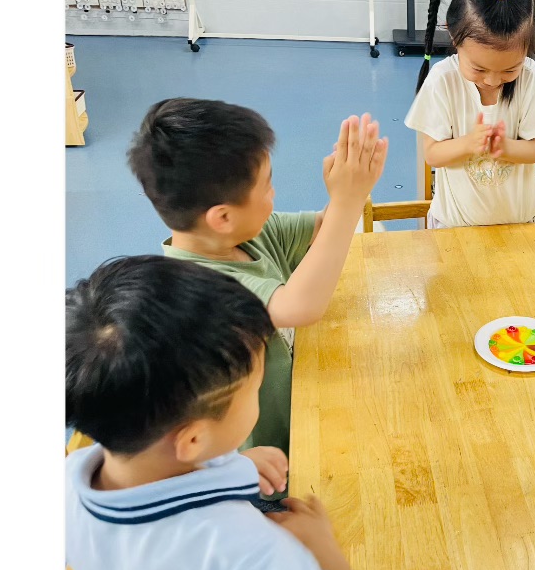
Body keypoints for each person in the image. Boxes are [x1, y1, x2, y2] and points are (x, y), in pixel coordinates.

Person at [65, 259, 368, 570]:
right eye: (254, 389)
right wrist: (322, 545)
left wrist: (231, 464)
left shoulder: (72, 476)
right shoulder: (240, 549)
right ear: (193, 441)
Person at [130, 96, 389, 451]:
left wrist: (349, 187)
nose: (274, 192)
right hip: (269, 455)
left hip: (306, 403)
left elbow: (324, 229)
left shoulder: (247, 233)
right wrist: (348, 201)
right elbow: (299, 307)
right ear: (223, 217)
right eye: (266, 186)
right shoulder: (198, 289)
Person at [406, 0, 535, 226]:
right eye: (479, 68)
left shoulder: (531, 79)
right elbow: (432, 154)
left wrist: (505, 148)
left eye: (510, 70)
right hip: (454, 225)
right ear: (454, 36)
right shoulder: (442, 81)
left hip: (517, 224)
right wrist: (469, 144)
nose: (492, 80)